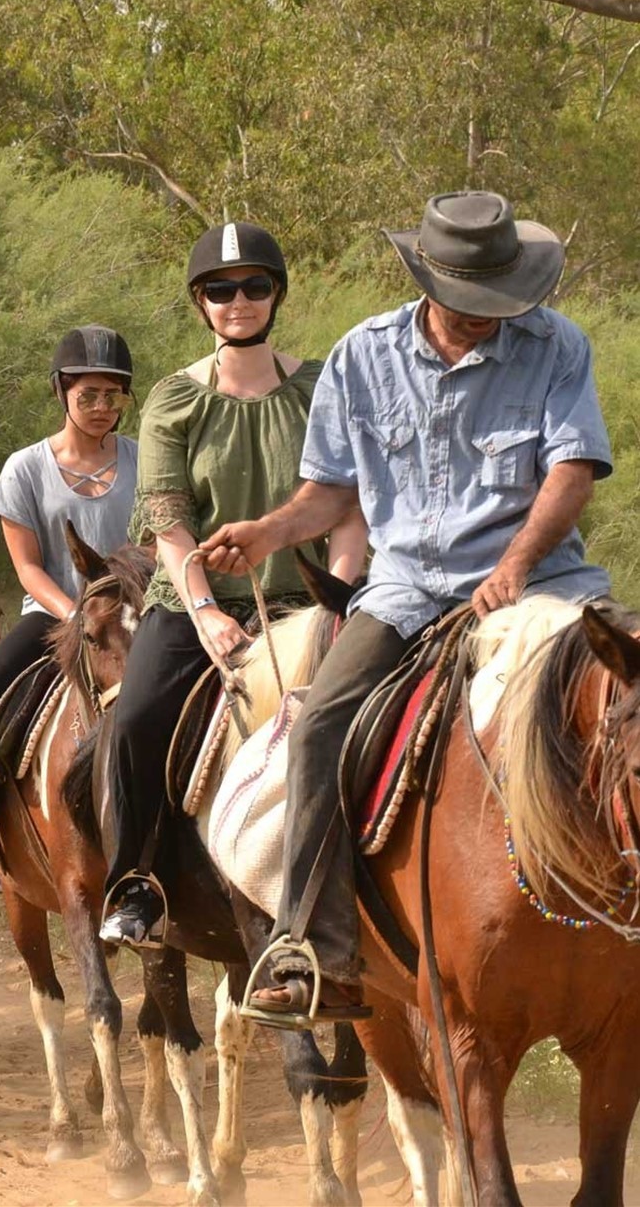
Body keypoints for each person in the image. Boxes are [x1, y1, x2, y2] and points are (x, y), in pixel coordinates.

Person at [199, 191, 612, 1024]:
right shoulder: (362, 356)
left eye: (499, 302)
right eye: (470, 303)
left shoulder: (557, 345)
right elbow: (330, 493)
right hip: (406, 589)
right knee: (317, 729)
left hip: (540, 586)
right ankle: (318, 951)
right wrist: (268, 532)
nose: (485, 319)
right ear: (431, 281)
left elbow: (570, 470)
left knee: (619, 703)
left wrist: (515, 564)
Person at [95, 223, 368, 951]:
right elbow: (169, 524)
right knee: (137, 718)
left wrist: (336, 600)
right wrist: (210, 615)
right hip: (196, 602)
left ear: (276, 294)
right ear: (201, 303)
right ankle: (136, 884)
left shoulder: (322, 388)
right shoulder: (174, 399)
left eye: (253, 285)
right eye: (221, 289)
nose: (238, 300)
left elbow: (350, 508)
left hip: (310, 599)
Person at [0, 325, 141, 885]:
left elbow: (156, 543)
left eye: (113, 395)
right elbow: (28, 566)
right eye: (88, 396)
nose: (102, 407)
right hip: (55, 613)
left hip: (132, 615)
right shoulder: (24, 468)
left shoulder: (145, 459)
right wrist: (76, 615)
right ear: (62, 393)